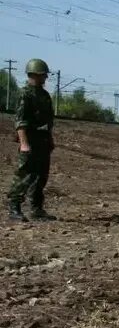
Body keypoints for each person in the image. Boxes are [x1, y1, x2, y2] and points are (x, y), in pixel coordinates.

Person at [7, 58, 55, 222]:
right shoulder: (25, 94)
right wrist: (24, 144)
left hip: (43, 141)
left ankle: (36, 209)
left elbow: (48, 121)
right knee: (24, 175)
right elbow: (20, 122)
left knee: (41, 176)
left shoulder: (44, 95)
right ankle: (14, 207)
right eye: (43, 75)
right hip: (30, 140)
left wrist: (50, 139)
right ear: (33, 74)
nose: (45, 78)